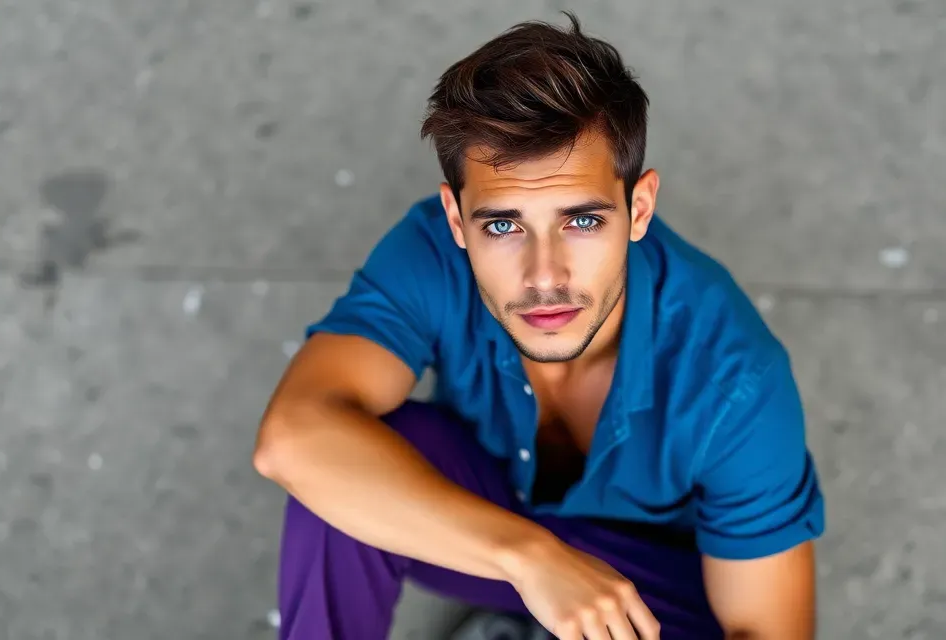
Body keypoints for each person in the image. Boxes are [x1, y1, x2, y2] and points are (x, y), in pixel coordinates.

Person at [254, 12, 825, 640]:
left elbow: (769, 632)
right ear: (456, 220)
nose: (544, 275)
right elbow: (291, 438)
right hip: (497, 532)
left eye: (582, 221)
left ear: (638, 210)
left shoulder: (735, 381)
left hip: (655, 596)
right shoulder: (431, 256)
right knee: (340, 462)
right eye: (503, 226)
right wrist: (529, 560)